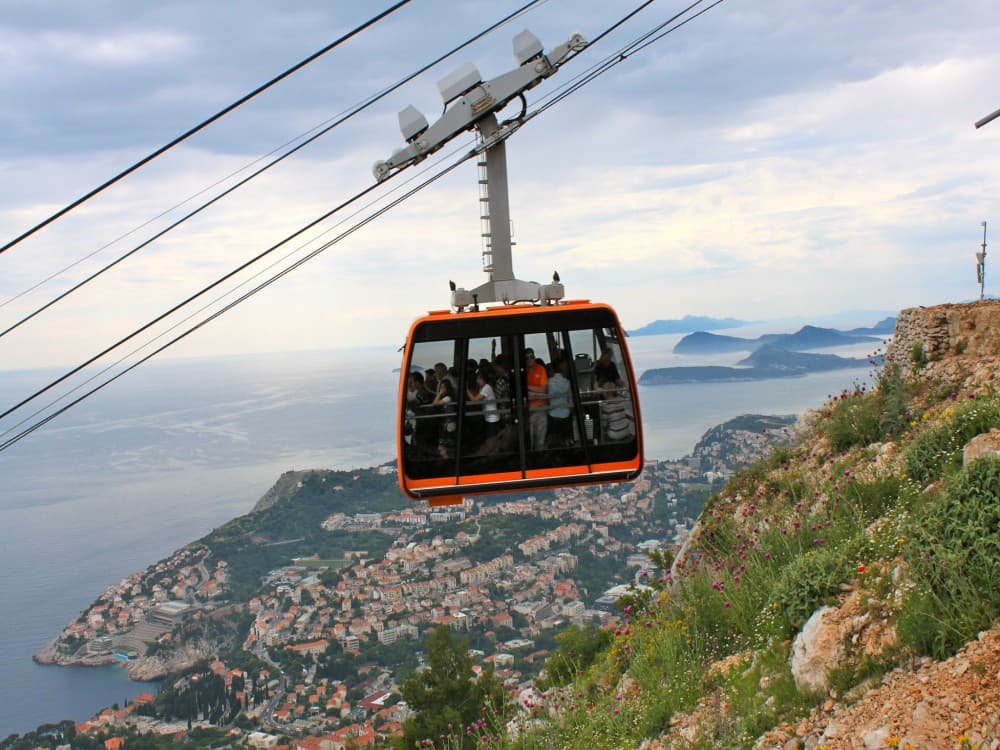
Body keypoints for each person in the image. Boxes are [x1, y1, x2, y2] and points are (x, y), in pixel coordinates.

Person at [524, 348, 548, 451]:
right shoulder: (522, 371)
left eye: (532, 357)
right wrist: (536, 392)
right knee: (529, 444)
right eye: (527, 358)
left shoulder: (541, 369)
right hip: (526, 411)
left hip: (540, 409)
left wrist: (527, 387)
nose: (530, 359)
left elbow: (543, 390)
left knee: (540, 443)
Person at [547, 358, 573, 447]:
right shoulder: (568, 382)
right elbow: (571, 401)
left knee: (554, 441)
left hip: (552, 415)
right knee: (564, 440)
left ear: (553, 369)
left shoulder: (549, 382)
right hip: (565, 415)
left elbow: (546, 399)